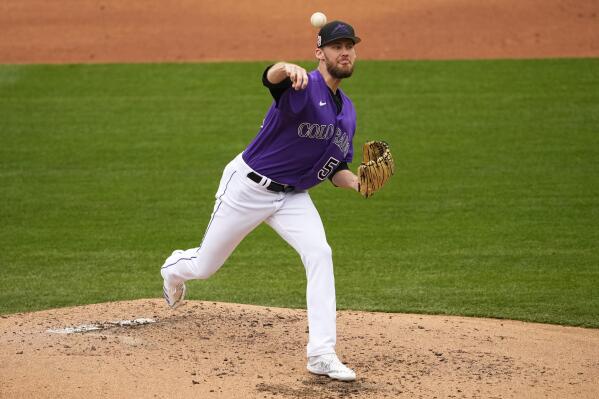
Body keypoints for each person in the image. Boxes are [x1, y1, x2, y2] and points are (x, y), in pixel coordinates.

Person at [161, 20, 362, 382]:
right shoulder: (301, 85)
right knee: (205, 266)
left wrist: (357, 183)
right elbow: (270, 80)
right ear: (320, 53)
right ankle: (174, 267)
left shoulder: (347, 111)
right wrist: (285, 67)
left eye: (349, 46)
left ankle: (321, 353)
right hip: (247, 189)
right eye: (336, 47)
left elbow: (336, 167)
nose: (344, 52)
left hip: (292, 197)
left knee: (320, 253)